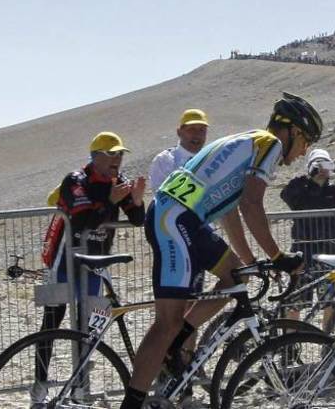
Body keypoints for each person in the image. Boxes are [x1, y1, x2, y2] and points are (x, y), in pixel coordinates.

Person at [119, 92, 320, 409]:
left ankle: (175, 344)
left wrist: (252, 262)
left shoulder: (248, 143)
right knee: (166, 323)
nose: (303, 152)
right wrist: (279, 258)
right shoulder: (270, 143)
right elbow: (253, 204)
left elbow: (231, 212)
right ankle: (133, 402)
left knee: (234, 277)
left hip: (184, 218)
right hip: (176, 219)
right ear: (292, 131)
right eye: (306, 142)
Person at [34, 132, 146, 405]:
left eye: (120, 154)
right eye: (111, 154)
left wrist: (138, 199)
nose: (117, 160)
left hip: (96, 264)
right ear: (95, 157)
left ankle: (80, 390)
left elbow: (137, 219)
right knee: (51, 323)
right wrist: (110, 201)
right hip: (63, 261)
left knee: (90, 327)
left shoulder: (119, 182)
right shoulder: (75, 180)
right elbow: (83, 221)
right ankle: (39, 390)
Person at [280, 148, 335, 328]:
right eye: (317, 165)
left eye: (325, 165)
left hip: (329, 252)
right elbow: (286, 193)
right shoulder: (300, 191)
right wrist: (309, 176)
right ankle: (289, 345)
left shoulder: (334, 192)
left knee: (330, 301)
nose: (322, 170)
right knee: (294, 301)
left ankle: (325, 341)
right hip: (302, 252)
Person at [148, 109, 210, 190]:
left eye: (202, 130)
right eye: (191, 129)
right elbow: (159, 194)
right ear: (179, 132)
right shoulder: (164, 160)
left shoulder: (213, 156)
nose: (197, 134)